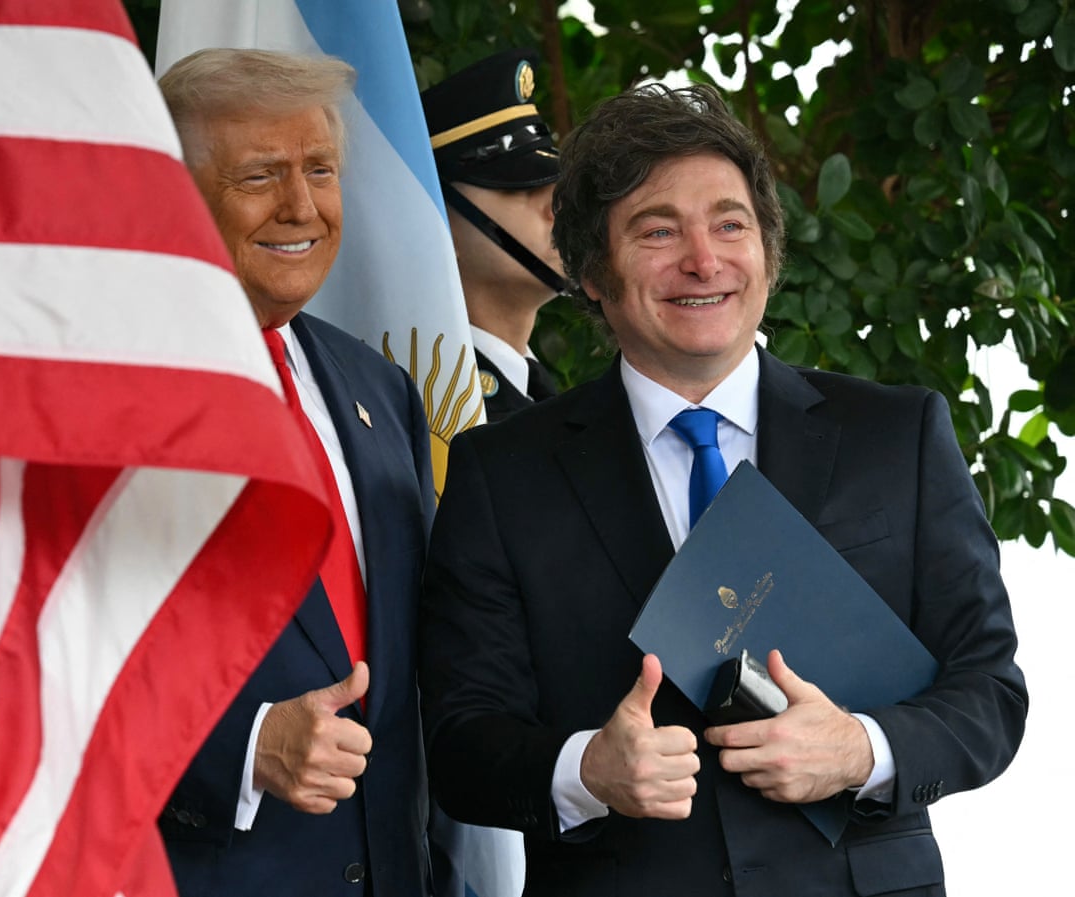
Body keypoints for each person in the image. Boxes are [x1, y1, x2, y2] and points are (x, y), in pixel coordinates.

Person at [418, 81, 1027, 896]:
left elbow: (989, 690)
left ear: (768, 255)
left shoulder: (899, 435)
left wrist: (860, 748)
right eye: (657, 230)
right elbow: (460, 741)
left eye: (730, 225)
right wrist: (586, 769)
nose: (703, 260)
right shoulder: (502, 473)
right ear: (592, 273)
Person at [157, 49, 440, 896]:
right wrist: (240, 749)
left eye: (320, 169)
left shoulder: (381, 390)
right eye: (259, 176)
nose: (302, 206)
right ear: (177, 196)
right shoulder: (114, 405)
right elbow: (45, 669)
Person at [421, 49, 567, 422]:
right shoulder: (423, 405)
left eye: (551, 182)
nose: (556, 205)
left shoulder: (541, 395)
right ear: (437, 224)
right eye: (516, 188)